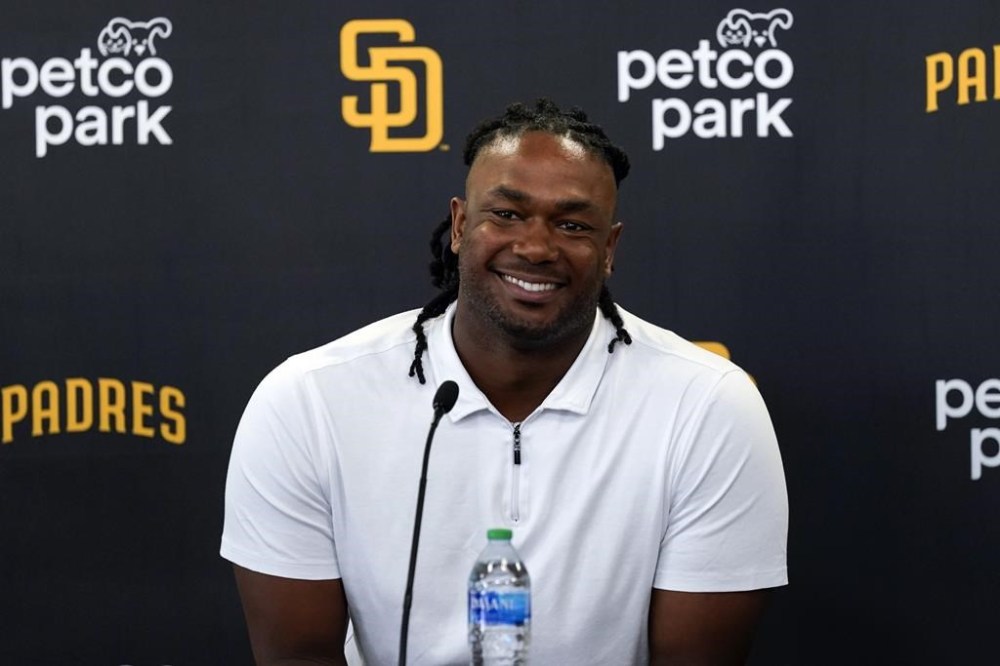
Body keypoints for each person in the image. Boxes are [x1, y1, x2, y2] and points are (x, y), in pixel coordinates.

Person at [221, 98, 788, 665]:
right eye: (507, 214)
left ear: (609, 249)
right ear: (461, 225)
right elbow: (296, 655)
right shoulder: (308, 402)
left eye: (572, 224)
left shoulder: (709, 406)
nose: (536, 247)